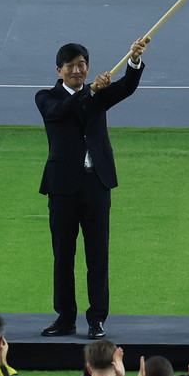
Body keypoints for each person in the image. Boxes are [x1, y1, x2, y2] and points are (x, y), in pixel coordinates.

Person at [36, 36, 149, 340]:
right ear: (59, 70)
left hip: (97, 183)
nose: (77, 70)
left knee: (98, 255)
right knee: (63, 255)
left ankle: (97, 318)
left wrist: (134, 59)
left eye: (82, 65)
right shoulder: (46, 97)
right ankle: (65, 317)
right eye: (71, 66)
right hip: (62, 188)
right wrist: (92, 92)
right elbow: (61, 111)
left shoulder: (96, 94)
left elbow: (126, 87)